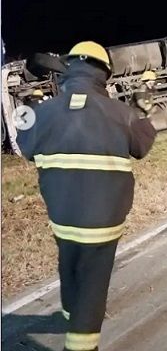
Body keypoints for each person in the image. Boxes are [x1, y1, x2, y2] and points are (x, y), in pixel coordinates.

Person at [16, 41, 156, 351]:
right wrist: (143, 111)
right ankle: (80, 343)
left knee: (69, 262)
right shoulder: (121, 113)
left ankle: (70, 312)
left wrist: (29, 106)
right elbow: (142, 146)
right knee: (94, 279)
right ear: (103, 73)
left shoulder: (43, 112)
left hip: (62, 215)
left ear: (70, 68)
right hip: (103, 218)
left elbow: (24, 145)